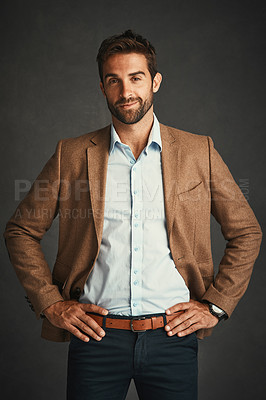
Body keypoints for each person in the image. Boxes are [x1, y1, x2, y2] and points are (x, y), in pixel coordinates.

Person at [4, 29, 262, 400]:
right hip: (95, 340)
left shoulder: (197, 152)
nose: (126, 91)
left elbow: (247, 231)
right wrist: (51, 303)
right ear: (102, 87)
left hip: (173, 340)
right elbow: (20, 231)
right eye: (114, 80)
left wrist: (216, 305)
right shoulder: (72, 155)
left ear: (155, 81)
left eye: (136, 78)